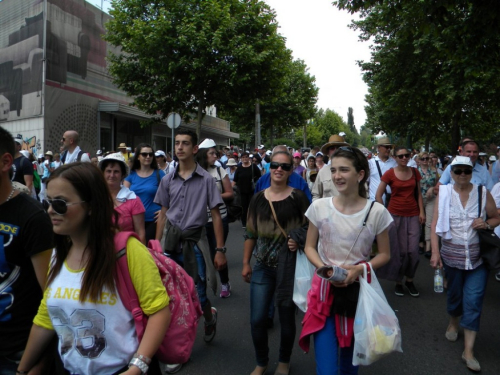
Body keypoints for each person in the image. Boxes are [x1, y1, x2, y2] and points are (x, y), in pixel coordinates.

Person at [17, 162, 170, 375]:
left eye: (60, 203)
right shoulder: (56, 255)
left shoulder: (129, 250)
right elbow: (46, 319)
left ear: (91, 205)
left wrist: (137, 367)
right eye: (47, 202)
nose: (51, 210)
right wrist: (22, 370)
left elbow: (159, 310)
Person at [300, 146, 392, 375]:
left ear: (360, 174)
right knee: (327, 368)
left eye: (344, 170)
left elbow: (384, 254)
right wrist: (326, 270)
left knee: (350, 365)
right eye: (333, 170)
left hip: (357, 294)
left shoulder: (377, 211)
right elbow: (309, 247)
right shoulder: (319, 207)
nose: (337, 176)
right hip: (323, 292)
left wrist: (359, 269)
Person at [154, 129, 227, 350]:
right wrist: (156, 246)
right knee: (171, 295)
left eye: (185, 143)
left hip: (195, 243)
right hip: (170, 241)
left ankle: (208, 317)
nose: (180, 147)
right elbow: (163, 214)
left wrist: (220, 249)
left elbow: (215, 215)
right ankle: (178, 345)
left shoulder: (206, 180)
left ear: (195, 149)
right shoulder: (167, 180)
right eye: (177, 143)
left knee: (198, 293)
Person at [242, 150, 310, 375]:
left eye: (284, 166)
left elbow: (311, 228)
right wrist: (245, 263)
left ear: (292, 171)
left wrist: (297, 239)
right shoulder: (258, 198)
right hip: (262, 266)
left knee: (286, 318)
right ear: (268, 168)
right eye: (274, 165)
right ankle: (261, 363)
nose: (279, 169)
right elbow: (250, 233)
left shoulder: (298, 197)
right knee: (257, 319)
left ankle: (284, 361)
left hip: (289, 267)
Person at [430, 156, 500, 372]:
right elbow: (434, 224)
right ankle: (453, 320)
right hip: (451, 257)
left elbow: (496, 217)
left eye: (466, 171)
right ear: (451, 172)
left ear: (472, 172)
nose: (462, 174)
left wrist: (486, 223)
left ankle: (468, 351)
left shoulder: (481, 192)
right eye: (458, 170)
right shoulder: (444, 193)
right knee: (455, 296)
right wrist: (435, 252)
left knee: (474, 300)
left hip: (478, 259)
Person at [0, 127, 54, 375]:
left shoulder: (32, 217)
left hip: (16, 353)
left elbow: (51, 296)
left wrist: (42, 357)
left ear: (6, 161)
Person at [376, 146, 425, 297]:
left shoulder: (415, 172)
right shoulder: (390, 173)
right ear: (395, 158)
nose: (404, 158)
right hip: (395, 215)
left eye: (407, 155)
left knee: (414, 252)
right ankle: (399, 281)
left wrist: (422, 211)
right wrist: (384, 213)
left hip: (413, 214)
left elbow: (418, 194)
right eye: (401, 156)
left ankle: (409, 280)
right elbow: (378, 195)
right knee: (401, 251)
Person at [196, 139, 234, 298]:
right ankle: (201, 289)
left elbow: (230, 193)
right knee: (199, 256)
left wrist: (214, 196)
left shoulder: (220, 171)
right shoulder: (193, 172)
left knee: (217, 252)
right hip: (198, 221)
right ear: (203, 155)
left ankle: (224, 282)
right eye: (212, 153)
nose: (215, 157)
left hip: (220, 219)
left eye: (216, 153)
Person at [100, 152, 146, 244]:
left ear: (122, 174)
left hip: (126, 253)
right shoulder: (96, 197)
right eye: (108, 171)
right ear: (103, 173)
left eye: (116, 172)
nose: (112, 175)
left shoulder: (133, 200)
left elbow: (140, 233)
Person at [124, 143, 165, 243]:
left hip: (153, 220)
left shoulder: (159, 174)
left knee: (149, 251)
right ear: (138, 156)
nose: (148, 157)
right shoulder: (131, 175)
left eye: (151, 154)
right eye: (144, 154)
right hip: (134, 221)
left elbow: (171, 195)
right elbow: (123, 197)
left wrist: (164, 211)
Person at [312, 134, 349, 201]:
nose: (336, 150)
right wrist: (320, 209)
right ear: (328, 153)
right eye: (332, 148)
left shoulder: (352, 171)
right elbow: (316, 195)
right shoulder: (322, 172)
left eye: (339, 148)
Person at [417, 151, 438, 258]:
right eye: (423, 159)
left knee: (429, 222)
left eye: (426, 158)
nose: (425, 161)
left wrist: (433, 188)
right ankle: (420, 243)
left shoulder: (434, 171)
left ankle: (428, 246)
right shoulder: (415, 172)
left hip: (431, 199)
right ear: (419, 160)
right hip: (419, 199)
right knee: (420, 221)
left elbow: (437, 185)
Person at [233, 151, 261, 228]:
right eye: (243, 157)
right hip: (241, 191)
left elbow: (259, 176)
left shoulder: (253, 166)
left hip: (252, 190)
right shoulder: (239, 168)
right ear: (241, 159)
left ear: (249, 158)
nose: (245, 159)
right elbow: (235, 180)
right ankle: (244, 222)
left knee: (252, 207)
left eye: (246, 157)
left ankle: (252, 222)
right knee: (243, 207)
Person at [368, 137, 397, 205]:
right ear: (379, 148)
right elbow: (366, 182)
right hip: (374, 202)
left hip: (391, 202)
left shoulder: (394, 163)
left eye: (390, 147)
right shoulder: (371, 163)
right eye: (386, 147)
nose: (389, 149)